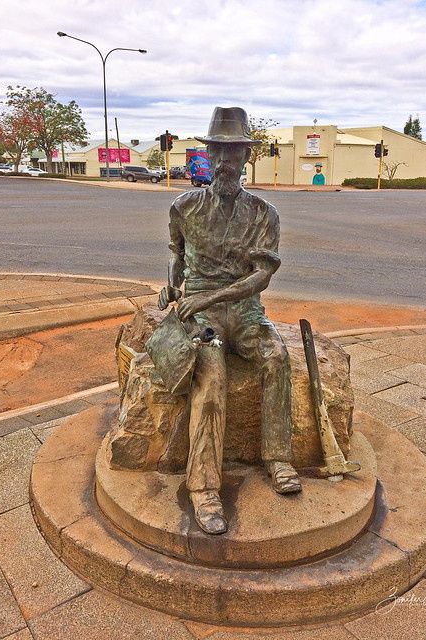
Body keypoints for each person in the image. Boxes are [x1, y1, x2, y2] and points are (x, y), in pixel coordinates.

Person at [158, 107, 301, 535]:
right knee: (211, 377)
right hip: (203, 316)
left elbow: (261, 276)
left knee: (276, 357)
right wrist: (172, 287)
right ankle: (203, 489)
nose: (224, 162)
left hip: (243, 309)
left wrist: (215, 293)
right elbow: (177, 256)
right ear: (208, 155)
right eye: (217, 151)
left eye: (233, 153)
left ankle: (278, 457)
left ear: (245, 158)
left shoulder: (263, 213)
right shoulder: (183, 207)